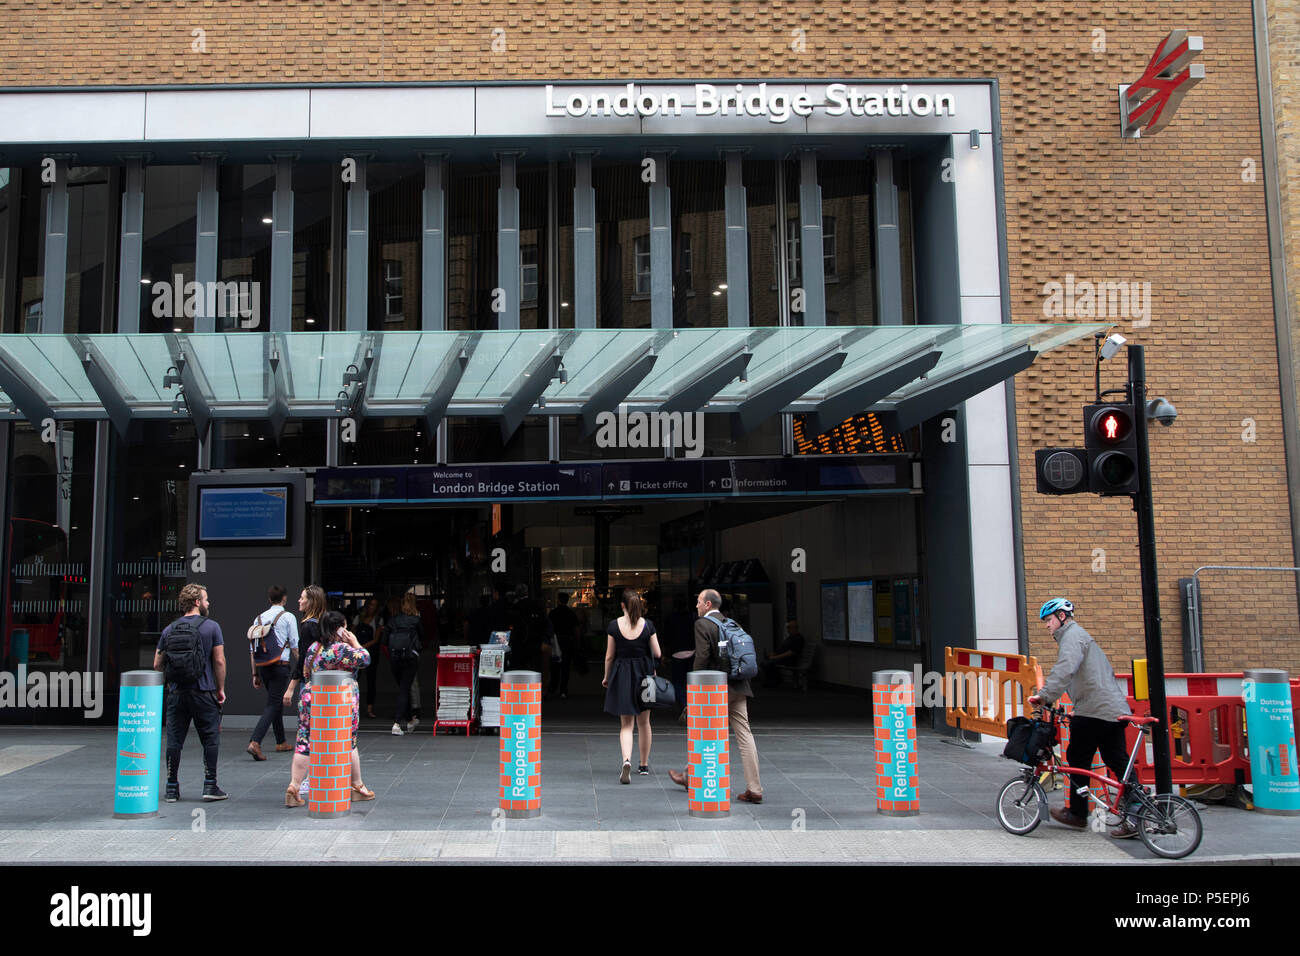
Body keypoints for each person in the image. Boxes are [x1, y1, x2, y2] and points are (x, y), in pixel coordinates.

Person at [1028, 598, 1135, 837]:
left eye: (1048, 620)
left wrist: (1044, 696)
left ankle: (1077, 813)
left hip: (1097, 711)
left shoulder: (1072, 637)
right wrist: (1081, 706)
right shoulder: (1080, 636)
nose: (1047, 625)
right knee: (1117, 761)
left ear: (1061, 617)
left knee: (1077, 756)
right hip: (1108, 709)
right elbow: (1094, 677)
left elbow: (1065, 668)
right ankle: (1138, 812)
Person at [669, 589, 763, 804]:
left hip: (716, 688)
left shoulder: (702, 624)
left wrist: (694, 683)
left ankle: (690, 777)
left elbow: (702, 657)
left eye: (699, 602)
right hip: (739, 684)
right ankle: (754, 787)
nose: (696, 606)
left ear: (708, 604)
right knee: (745, 735)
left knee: (706, 733)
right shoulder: (732, 623)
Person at [284, 610, 375, 807]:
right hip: (338, 701)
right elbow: (365, 659)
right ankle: (357, 786)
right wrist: (355, 642)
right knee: (348, 740)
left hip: (311, 697)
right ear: (339, 629)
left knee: (304, 741)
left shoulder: (313, 648)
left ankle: (294, 785)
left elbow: (306, 671)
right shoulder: (341, 649)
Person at [154, 583, 227, 802]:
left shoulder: (170, 629)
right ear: (197, 602)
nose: (208, 603)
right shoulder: (212, 627)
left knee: (175, 741)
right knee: (210, 738)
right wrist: (220, 689)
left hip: (176, 693)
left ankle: (171, 787)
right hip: (204, 692)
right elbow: (219, 661)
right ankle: (210, 785)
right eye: (205, 599)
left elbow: (157, 663)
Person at [602, 589, 662, 783]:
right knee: (644, 723)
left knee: (626, 724)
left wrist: (606, 677)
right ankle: (643, 765)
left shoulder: (614, 625)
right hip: (646, 675)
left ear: (622, 605)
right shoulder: (648, 625)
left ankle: (626, 759)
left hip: (622, 675)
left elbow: (610, 656)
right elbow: (658, 653)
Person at [247, 584, 299, 760]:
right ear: (284, 598)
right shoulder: (288, 617)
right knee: (273, 704)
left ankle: (281, 741)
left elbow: (253, 650)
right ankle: (255, 741)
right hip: (280, 666)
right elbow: (295, 646)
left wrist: (255, 674)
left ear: (269, 599)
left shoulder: (258, 619)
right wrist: (303, 667)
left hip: (263, 667)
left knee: (274, 702)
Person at [386, 591, 424, 736]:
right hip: (410, 658)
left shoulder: (393, 620)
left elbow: (384, 640)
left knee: (403, 687)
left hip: (395, 659)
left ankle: (409, 719)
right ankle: (396, 723)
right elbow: (422, 636)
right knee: (404, 689)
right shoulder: (415, 620)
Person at [663, 594, 696, 722]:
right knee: (692, 682)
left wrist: (665, 655)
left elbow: (666, 638)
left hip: (676, 654)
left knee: (678, 683)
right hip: (692, 652)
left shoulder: (670, 619)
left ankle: (684, 705)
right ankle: (692, 705)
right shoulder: (692, 617)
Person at [353, 597, 382, 719]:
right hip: (359, 652)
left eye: (375, 605)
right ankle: (354, 707)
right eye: (371, 605)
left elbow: (376, 639)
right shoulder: (358, 618)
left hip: (370, 653)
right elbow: (351, 633)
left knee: (371, 681)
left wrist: (361, 646)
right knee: (355, 680)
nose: (372, 608)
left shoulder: (379, 620)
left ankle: (369, 708)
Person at [548, 592, 580, 699]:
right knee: (566, 666)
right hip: (567, 641)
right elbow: (576, 629)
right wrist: (576, 642)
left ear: (558, 600)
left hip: (555, 641)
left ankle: (553, 688)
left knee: (555, 666)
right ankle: (563, 690)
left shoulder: (553, 613)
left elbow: (549, 628)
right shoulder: (571, 613)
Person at [761, 620, 806, 688]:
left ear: (795, 628)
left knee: (769, 663)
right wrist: (773, 654)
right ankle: (772, 680)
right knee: (764, 662)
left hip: (789, 659)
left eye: (789, 627)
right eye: (787, 627)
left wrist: (775, 657)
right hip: (783, 658)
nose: (787, 629)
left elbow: (790, 653)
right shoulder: (790, 637)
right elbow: (782, 649)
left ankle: (774, 681)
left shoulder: (798, 638)